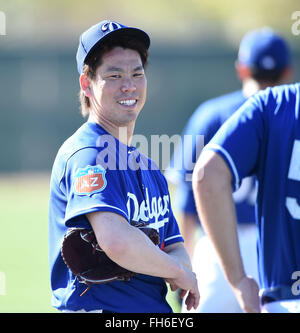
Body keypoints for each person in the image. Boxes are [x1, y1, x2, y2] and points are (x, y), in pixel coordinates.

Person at [48, 20, 199, 313]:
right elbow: (116, 241)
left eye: (137, 73)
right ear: (87, 84)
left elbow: (175, 246)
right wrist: (178, 273)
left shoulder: (148, 167)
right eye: (114, 75)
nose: (128, 85)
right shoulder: (87, 155)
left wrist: (176, 266)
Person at [165, 28, 292, 312]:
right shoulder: (292, 117)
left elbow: (186, 207)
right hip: (277, 253)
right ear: (287, 71)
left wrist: (182, 267)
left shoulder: (211, 115)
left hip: (216, 248)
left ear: (242, 69)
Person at [192, 82, 300, 312]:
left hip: (285, 296)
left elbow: (206, 176)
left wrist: (238, 279)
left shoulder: (273, 105)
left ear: (241, 69)